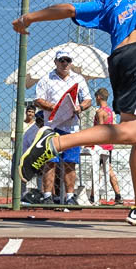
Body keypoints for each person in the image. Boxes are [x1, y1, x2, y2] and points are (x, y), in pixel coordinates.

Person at [13, 0, 136, 226]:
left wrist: (28, 18)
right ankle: (56, 144)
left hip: (119, 59)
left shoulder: (105, 1)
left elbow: (67, 9)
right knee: (133, 131)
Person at [33, 50, 92, 205]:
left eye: (67, 60)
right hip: (51, 127)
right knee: (50, 161)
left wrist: (80, 107)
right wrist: (55, 107)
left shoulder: (78, 79)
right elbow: (38, 100)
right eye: (62, 60)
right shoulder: (46, 79)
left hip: (71, 127)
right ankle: (47, 196)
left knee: (70, 162)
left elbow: (88, 100)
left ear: (71, 62)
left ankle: (70, 197)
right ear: (56, 62)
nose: (65, 63)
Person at [93, 87, 123, 205]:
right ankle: (118, 194)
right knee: (108, 169)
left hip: (100, 145)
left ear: (98, 97)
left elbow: (99, 129)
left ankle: (94, 195)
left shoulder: (100, 112)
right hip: (108, 144)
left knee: (97, 170)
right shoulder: (110, 111)